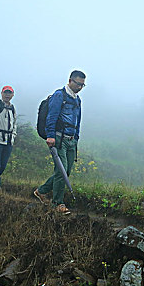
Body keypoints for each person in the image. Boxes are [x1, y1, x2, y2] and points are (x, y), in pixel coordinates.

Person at [34, 70, 86, 213]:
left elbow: (78, 120)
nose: (80, 87)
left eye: (83, 85)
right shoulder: (59, 95)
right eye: (78, 84)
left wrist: (76, 138)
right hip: (59, 138)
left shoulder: (77, 99)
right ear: (70, 81)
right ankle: (58, 203)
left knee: (66, 171)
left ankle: (41, 191)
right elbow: (52, 116)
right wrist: (50, 136)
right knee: (61, 170)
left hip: (71, 140)